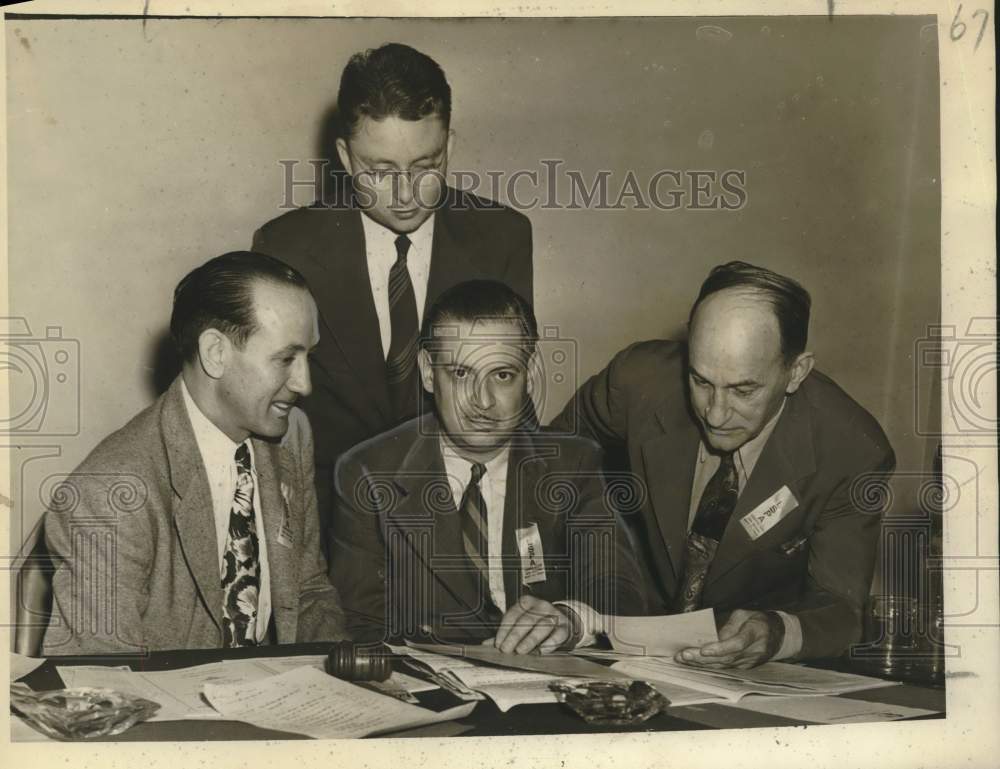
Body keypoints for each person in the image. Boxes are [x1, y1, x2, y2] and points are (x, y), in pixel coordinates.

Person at [252, 43, 533, 555]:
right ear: (343, 156)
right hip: (328, 517)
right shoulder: (286, 246)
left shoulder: (503, 238)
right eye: (379, 171)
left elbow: (508, 390)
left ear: (448, 146)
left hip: (459, 519)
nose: (405, 194)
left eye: (425, 165)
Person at [551, 262, 895, 668]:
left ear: (796, 372)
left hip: (737, 671)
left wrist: (777, 632)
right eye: (700, 381)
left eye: (743, 390)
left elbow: (841, 609)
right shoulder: (638, 380)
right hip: (611, 627)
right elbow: (551, 466)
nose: (715, 414)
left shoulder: (851, 450)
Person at [42, 252, 348, 655]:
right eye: (286, 359)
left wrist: (351, 679)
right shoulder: (107, 493)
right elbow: (102, 684)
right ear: (215, 353)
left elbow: (307, 591)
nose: (304, 383)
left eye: (309, 356)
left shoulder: (293, 436)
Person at [330, 280, 645, 652]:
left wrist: (572, 619)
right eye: (461, 374)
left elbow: (622, 596)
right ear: (429, 372)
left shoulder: (573, 466)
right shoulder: (367, 472)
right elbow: (362, 627)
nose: (482, 401)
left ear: (530, 372)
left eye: (502, 375)